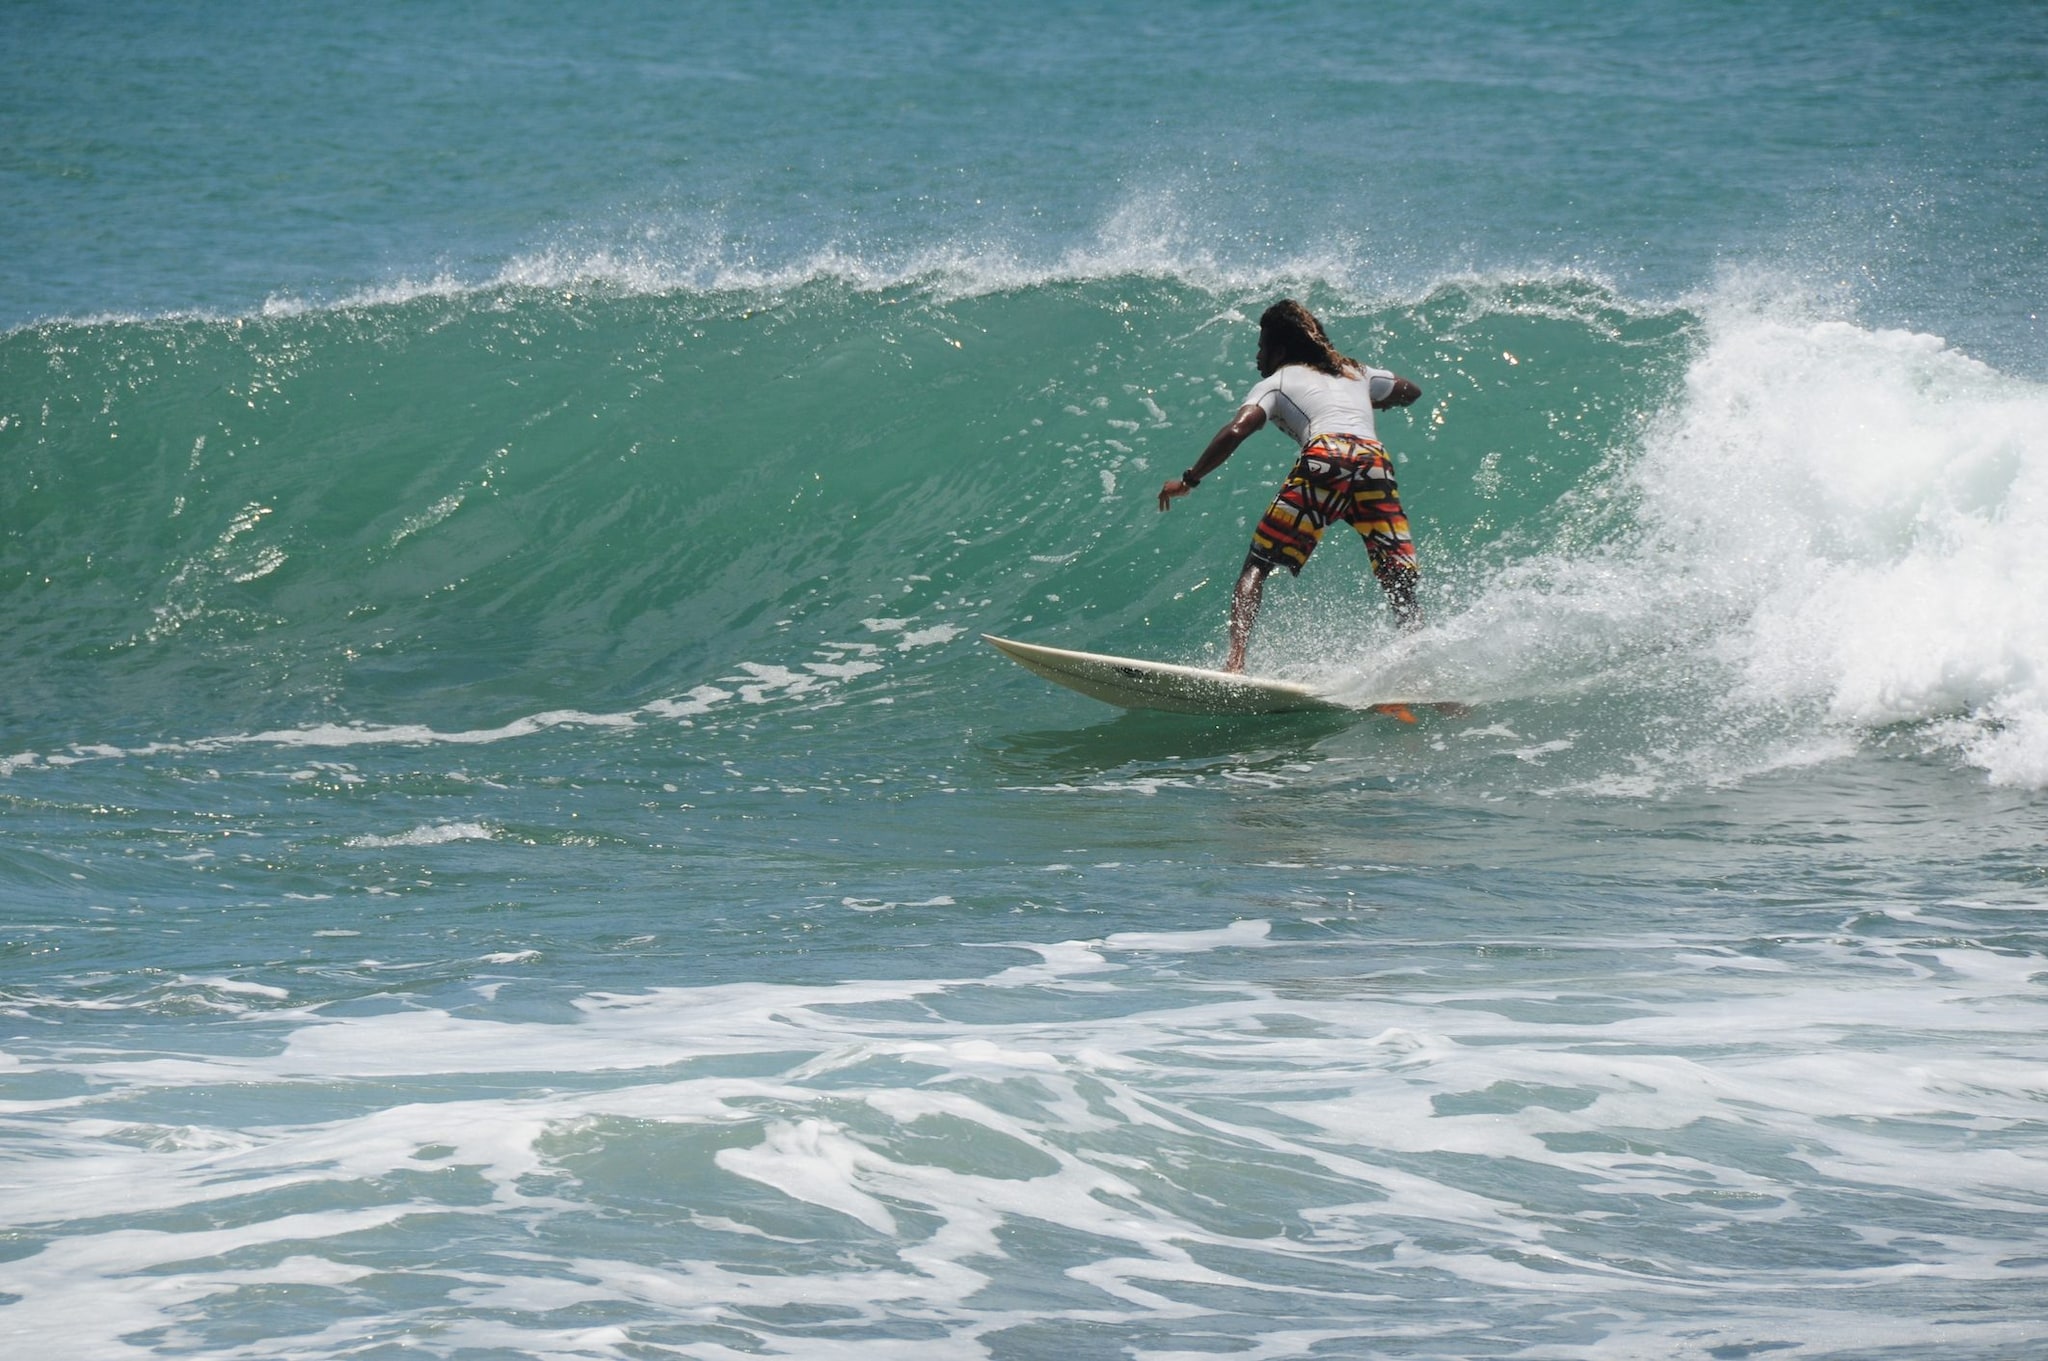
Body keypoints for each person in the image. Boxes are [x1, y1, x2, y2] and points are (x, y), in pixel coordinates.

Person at [1157, 299, 1423, 672]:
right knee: (1397, 576)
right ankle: (1418, 658)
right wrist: (1374, 400)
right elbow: (1410, 391)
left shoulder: (1276, 382)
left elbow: (1238, 430)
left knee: (1257, 566)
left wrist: (1189, 480)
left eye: (1262, 346)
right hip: (1373, 460)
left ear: (1280, 350)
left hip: (1325, 455)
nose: (1257, 355)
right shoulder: (1355, 371)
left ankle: (1234, 664)